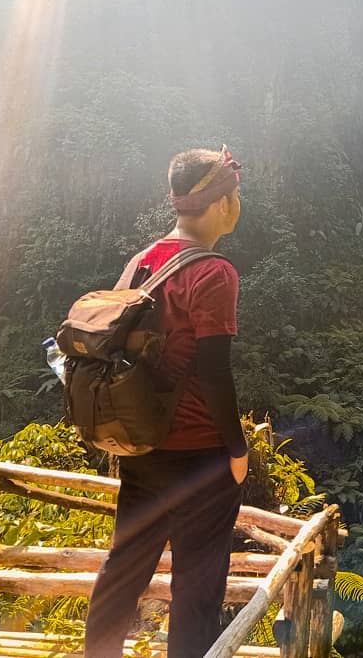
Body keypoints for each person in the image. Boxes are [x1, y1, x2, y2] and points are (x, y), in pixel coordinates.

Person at [84, 145, 248, 658]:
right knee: (197, 589)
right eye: (235, 193)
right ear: (221, 203)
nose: (239, 202)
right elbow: (214, 372)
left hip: (141, 444)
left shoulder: (142, 261)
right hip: (200, 453)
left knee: (124, 569)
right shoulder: (214, 272)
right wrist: (238, 452)